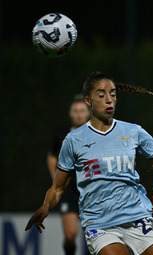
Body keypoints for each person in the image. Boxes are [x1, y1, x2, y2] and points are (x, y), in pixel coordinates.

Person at [26, 71, 153, 255]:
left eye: (113, 94)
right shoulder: (73, 140)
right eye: (101, 95)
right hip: (100, 224)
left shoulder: (133, 131)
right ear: (88, 101)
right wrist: (46, 206)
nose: (109, 100)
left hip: (138, 217)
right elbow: (58, 188)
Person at [47, 94, 90, 255]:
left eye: (82, 110)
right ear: (71, 114)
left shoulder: (97, 134)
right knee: (70, 235)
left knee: (93, 239)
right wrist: (55, 177)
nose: (79, 114)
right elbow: (52, 156)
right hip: (69, 191)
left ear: (88, 113)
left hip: (91, 190)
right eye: (75, 111)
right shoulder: (61, 136)